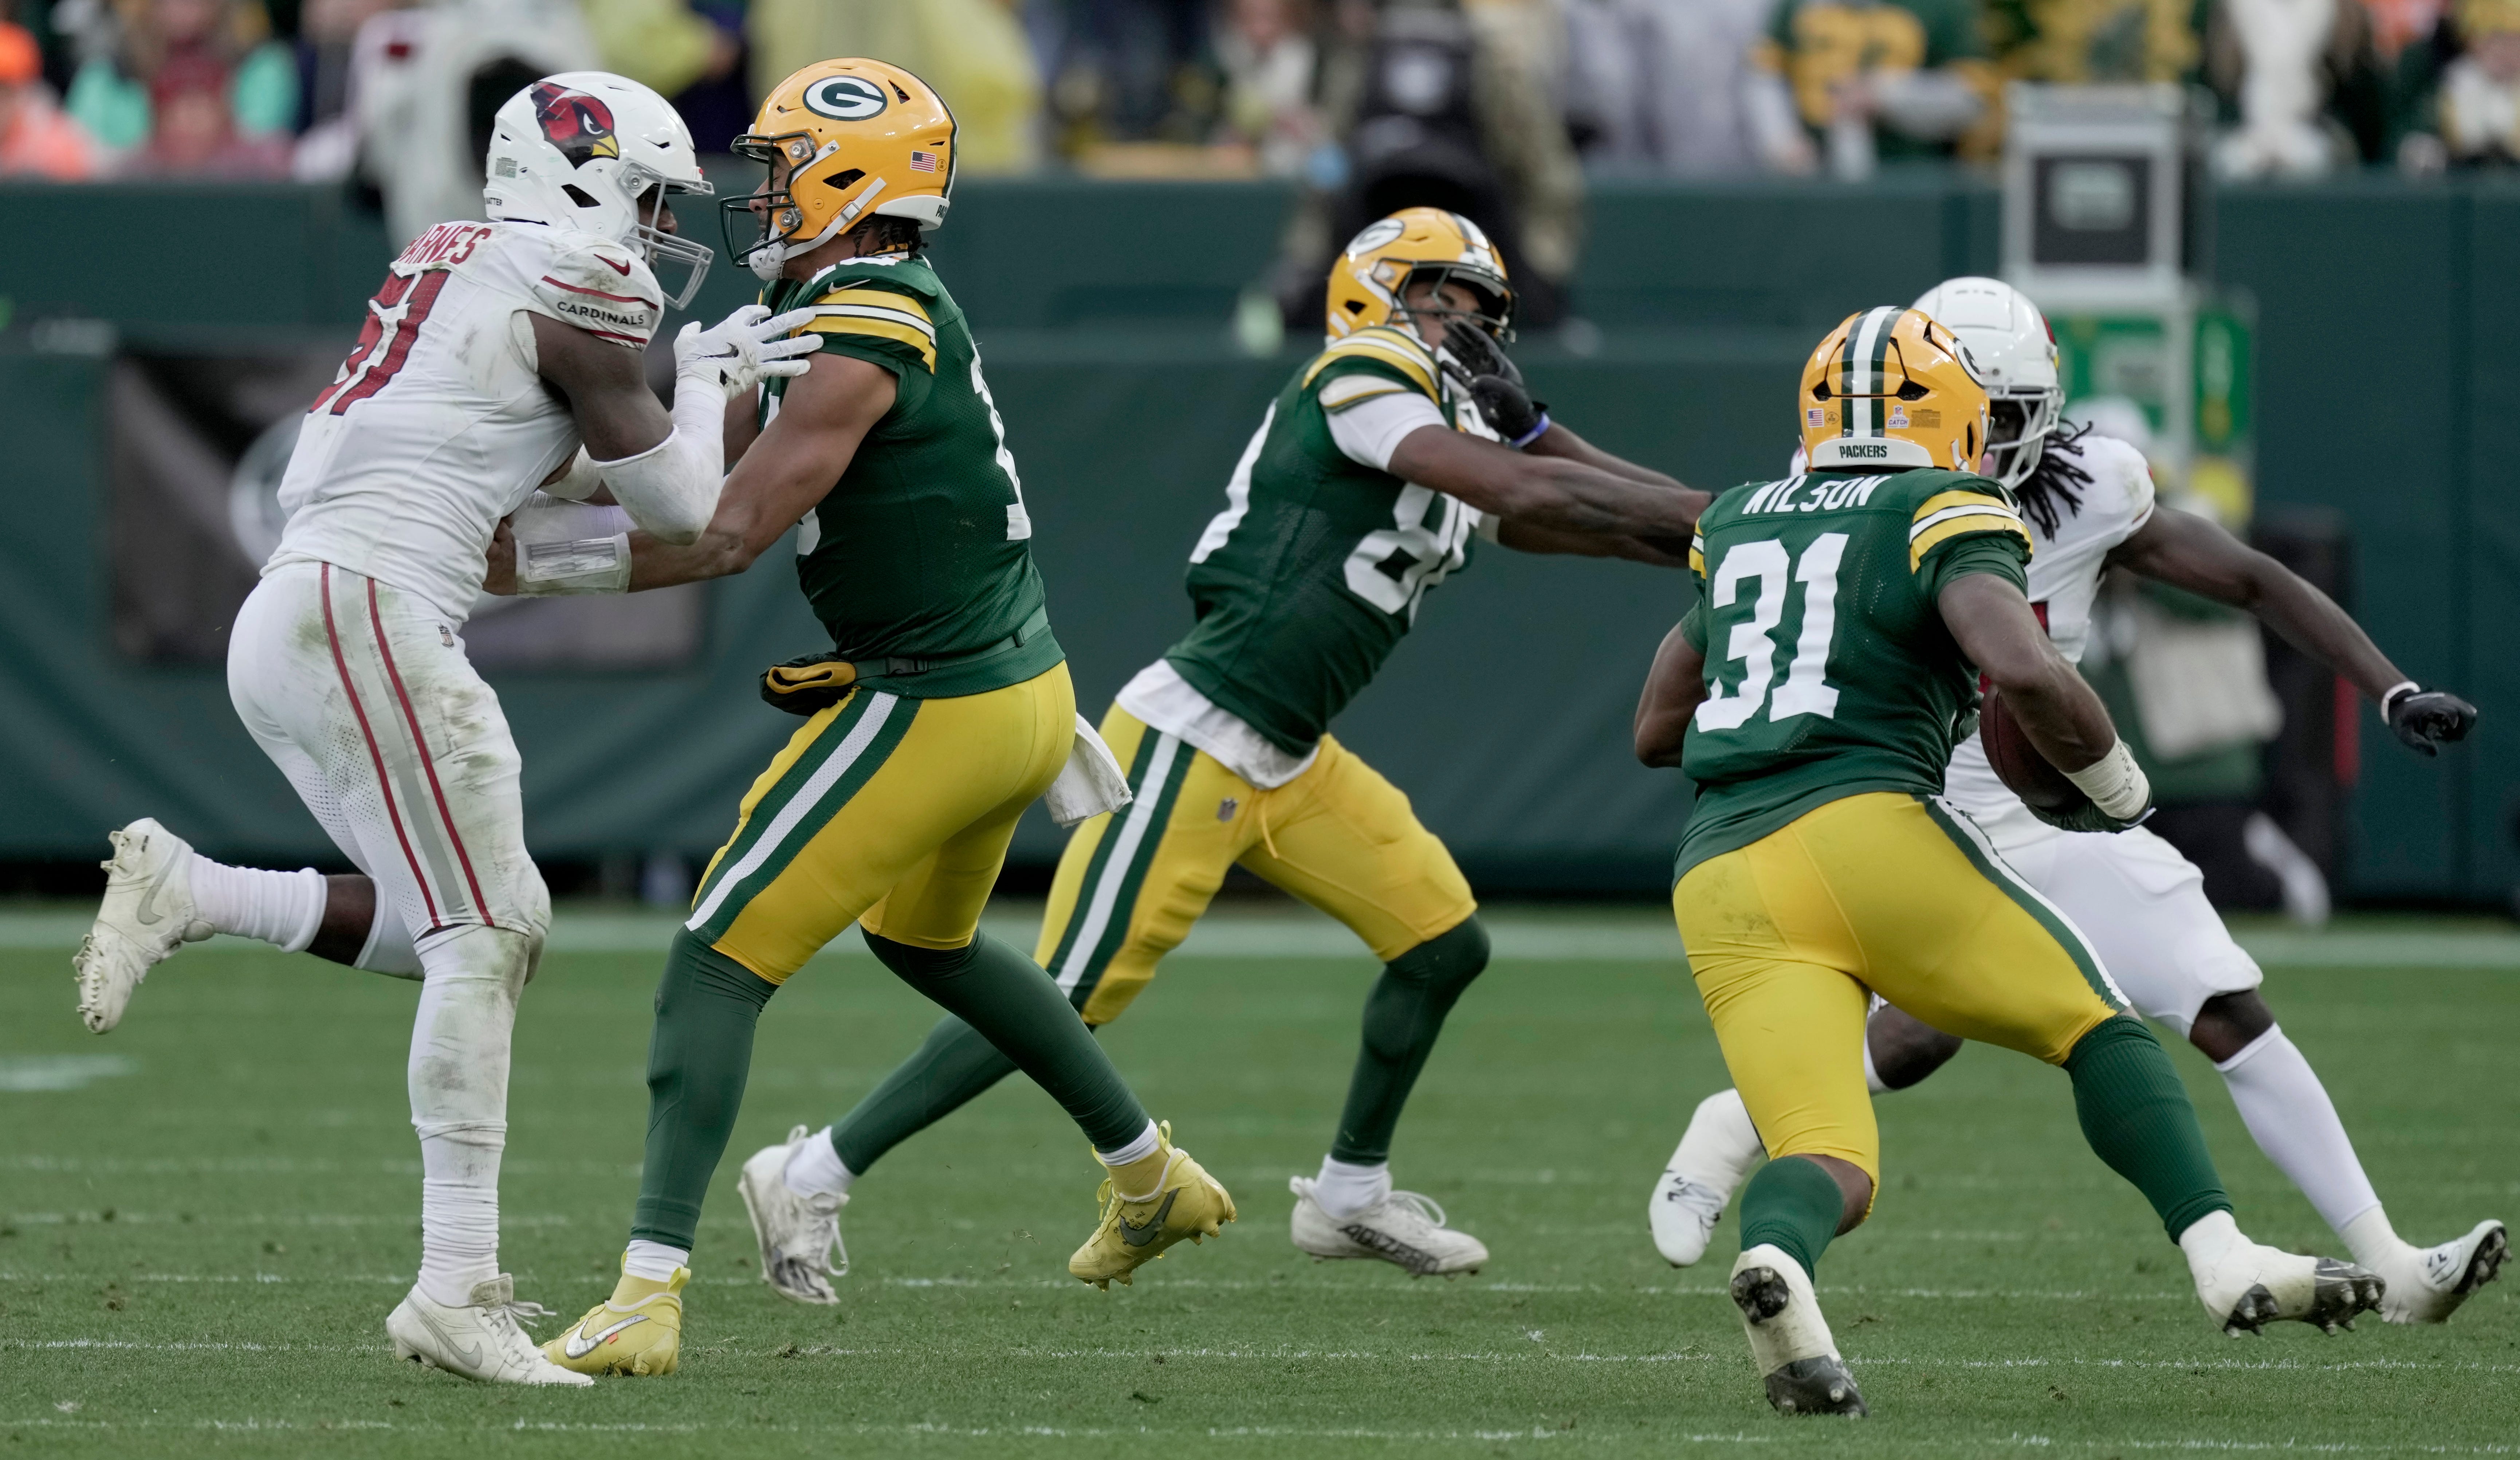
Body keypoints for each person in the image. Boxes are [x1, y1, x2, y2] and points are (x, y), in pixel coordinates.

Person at [721, 206, 1708, 1302]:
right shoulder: (1362, 374)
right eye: (1442, 298)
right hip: (1192, 737)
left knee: (1441, 946)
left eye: (1481, 312)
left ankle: (1347, 1198)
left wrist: (1574, 449)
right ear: (1374, 295)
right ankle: (807, 1174)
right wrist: (1730, 518)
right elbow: (1526, 495)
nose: (1462, 328)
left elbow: (1580, 518)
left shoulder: (1441, 425)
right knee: (1068, 997)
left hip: (1290, 752)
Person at [70, 72, 806, 1385]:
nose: (654, 231)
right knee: (496, 930)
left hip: (306, 610)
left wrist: (695, 422)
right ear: (578, 179)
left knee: (452, 929)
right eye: (645, 196)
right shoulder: (581, 285)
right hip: (364, 609)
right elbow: (684, 504)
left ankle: (199, 892)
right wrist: (704, 387)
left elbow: (558, 506)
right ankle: (456, 1286)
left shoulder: (458, 260)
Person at [517, 59, 1232, 1379]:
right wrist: (644, 429)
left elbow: (724, 531)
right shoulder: (849, 299)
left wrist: (525, 568)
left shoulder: (872, 312)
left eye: (786, 169)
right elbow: (681, 470)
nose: (763, 195)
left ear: (856, 181)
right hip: (1016, 686)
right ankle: (1151, 1174)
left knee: (718, 956)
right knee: (934, 944)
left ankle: (646, 1294)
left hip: (945, 695)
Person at [1649, 276, 2507, 1324]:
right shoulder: (1867, 484)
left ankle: (2394, 1263)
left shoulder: (2092, 482)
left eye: (2007, 415)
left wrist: (2389, 687)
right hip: (1918, 802)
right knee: (1933, 1033)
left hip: (2051, 806)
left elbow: (2247, 579)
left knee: (2220, 1001)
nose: (1985, 435)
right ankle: (1744, 1116)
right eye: (1967, 407)